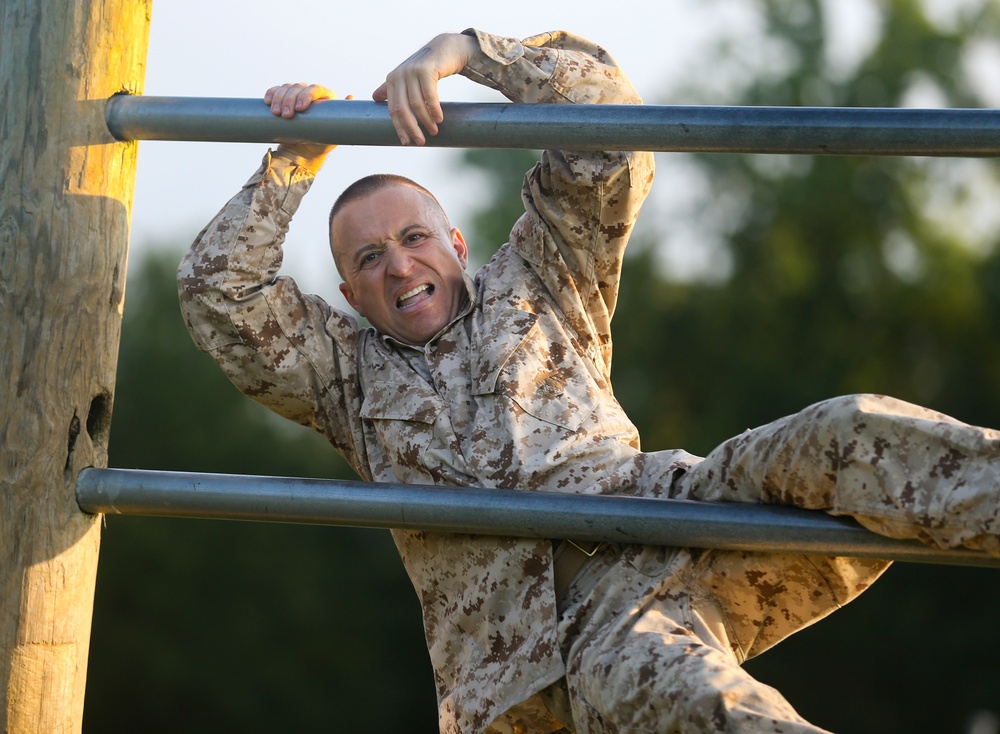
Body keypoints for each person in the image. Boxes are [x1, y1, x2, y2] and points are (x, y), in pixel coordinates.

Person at [178, 27, 1000, 734]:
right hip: (562, 646)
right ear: (351, 294)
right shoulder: (343, 378)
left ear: (456, 245)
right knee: (707, 707)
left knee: (845, 429)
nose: (400, 264)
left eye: (414, 237)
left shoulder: (540, 276)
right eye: (369, 258)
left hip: (669, 515)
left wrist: (464, 53)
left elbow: (609, 133)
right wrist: (294, 160)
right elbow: (219, 295)